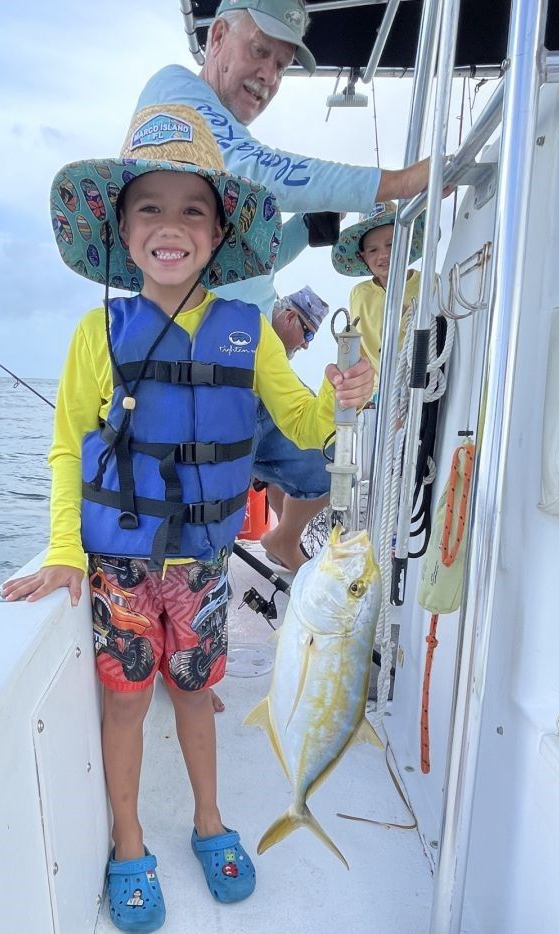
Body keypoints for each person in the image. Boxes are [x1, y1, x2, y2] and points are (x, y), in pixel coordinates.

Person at [0, 104, 373, 933]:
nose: (171, 226)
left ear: (217, 233)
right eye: (150, 209)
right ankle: (129, 839)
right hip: (121, 569)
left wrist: (349, 394)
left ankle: (210, 821)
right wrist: (66, 549)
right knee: (128, 704)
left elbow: (308, 429)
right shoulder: (96, 333)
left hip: (203, 566)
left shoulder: (252, 335)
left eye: (192, 210)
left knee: (197, 695)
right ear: (123, 231)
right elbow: (68, 450)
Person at [136, 0, 434, 316]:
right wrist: (400, 182)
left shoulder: (220, 165)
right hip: (188, 352)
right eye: (259, 51)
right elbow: (248, 167)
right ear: (218, 36)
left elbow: (259, 261)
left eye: (281, 65)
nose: (269, 76)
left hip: (246, 347)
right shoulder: (172, 87)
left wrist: (309, 223)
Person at [254, 286, 331, 572]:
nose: (307, 344)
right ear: (289, 318)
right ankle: (284, 539)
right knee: (334, 453)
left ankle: (285, 539)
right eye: (308, 333)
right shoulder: (268, 356)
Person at [331, 200, 426, 388]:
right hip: (380, 396)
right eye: (373, 250)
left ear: (405, 242)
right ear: (363, 256)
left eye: (390, 245)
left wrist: (409, 315)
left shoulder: (430, 283)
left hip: (424, 385)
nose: (383, 255)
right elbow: (360, 352)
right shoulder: (359, 295)